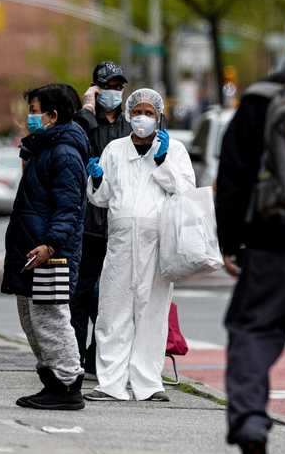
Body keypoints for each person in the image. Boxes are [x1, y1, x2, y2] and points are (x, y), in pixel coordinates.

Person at [217, 7, 285, 454]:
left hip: (271, 240)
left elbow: (233, 177)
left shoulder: (260, 99)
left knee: (253, 330)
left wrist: (230, 241)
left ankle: (251, 420)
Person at [84, 88, 195, 403]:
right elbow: (101, 198)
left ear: (159, 116)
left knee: (152, 312)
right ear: (129, 115)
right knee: (112, 311)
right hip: (120, 242)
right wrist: (95, 180)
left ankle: (147, 383)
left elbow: (185, 192)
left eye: (149, 112)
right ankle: (110, 383)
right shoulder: (115, 150)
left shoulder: (174, 151)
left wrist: (162, 164)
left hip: (157, 242)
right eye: (137, 112)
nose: (142, 118)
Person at [2, 83, 89, 411]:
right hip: (31, 251)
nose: (31, 117)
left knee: (50, 318)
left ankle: (67, 385)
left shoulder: (64, 152)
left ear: (53, 115)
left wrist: (51, 245)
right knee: (32, 318)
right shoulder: (44, 148)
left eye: (36, 110)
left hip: (50, 254)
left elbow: (69, 207)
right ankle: (52, 382)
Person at [71, 61, 130, 378]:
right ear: (95, 88)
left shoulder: (130, 124)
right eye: (108, 86)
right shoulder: (83, 121)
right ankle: (75, 357)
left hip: (118, 223)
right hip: (88, 223)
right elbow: (79, 145)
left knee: (111, 297)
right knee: (80, 294)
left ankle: (99, 358)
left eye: (119, 87)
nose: (114, 92)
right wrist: (88, 110)